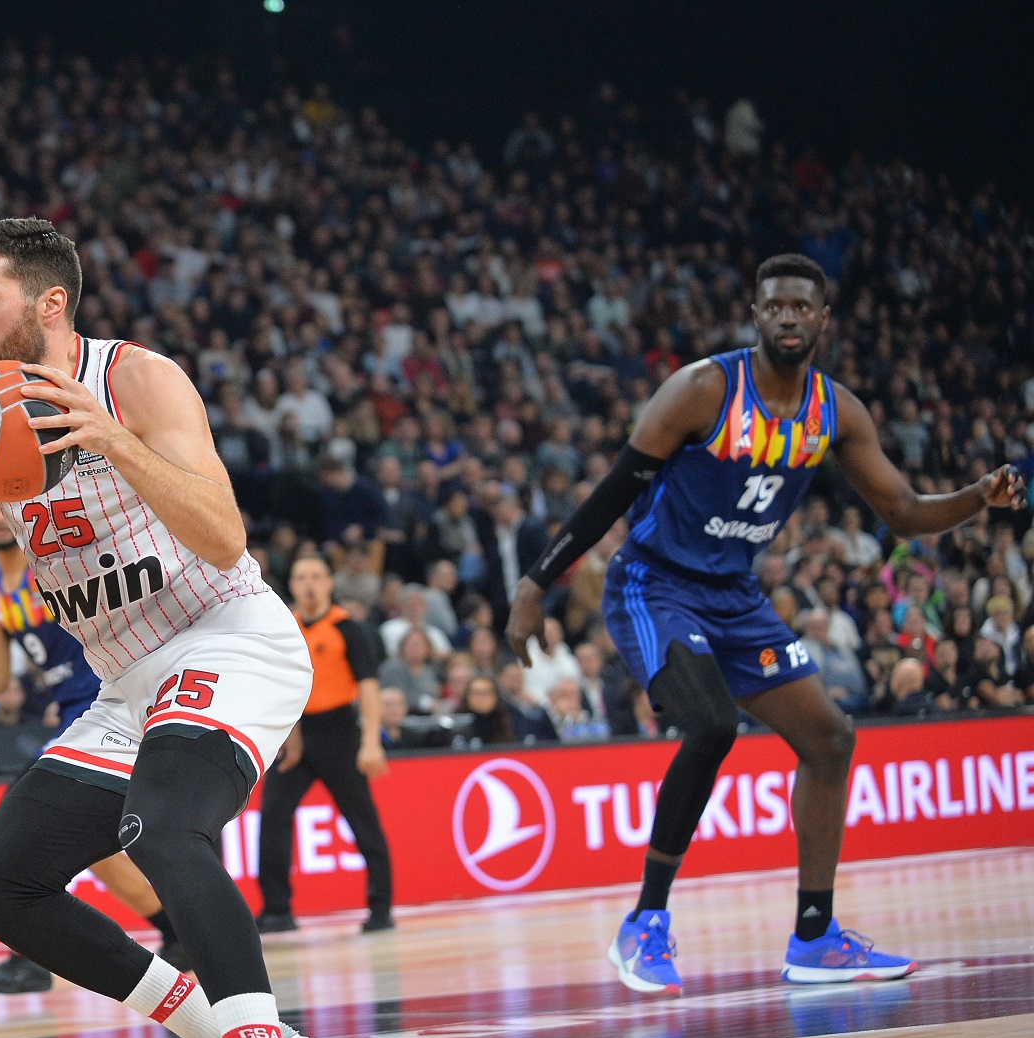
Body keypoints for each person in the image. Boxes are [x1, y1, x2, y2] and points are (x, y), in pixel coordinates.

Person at [506, 253, 1024, 996]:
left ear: (822, 320)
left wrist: (976, 497)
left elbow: (905, 513)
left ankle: (815, 937)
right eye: (774, 305)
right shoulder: (702, 390)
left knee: (831, 738)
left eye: (800, 307)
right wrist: (536, 581)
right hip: (656, 585)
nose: (787, 317)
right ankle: (644, 923)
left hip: (736, 595)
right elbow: (613, 491)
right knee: (712, 724)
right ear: (755, 314)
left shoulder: (836, 411)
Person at [0, 219, 314, 1038]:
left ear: (49, 303)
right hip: (128, 682)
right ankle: (204, 1023)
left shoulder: (135, 378)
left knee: (163, 828)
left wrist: (113, 441)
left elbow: (225, 536)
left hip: (226, 635)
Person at [0, 501, 188, 994]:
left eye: (0, 508)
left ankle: (30, 957)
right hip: (78, 718)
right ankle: (176, 933)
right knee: (93, 850)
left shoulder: (53, 563)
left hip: (113, 703)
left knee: (25, 827)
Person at [255, 556, 394, 934]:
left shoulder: (348, 628)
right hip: (298, 732)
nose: (309, 584)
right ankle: (277, 909)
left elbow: (369, 686)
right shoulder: (284, 627)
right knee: (273, 815)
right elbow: (281, 687)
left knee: (361, 819)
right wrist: (290, 735)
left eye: (316, 576)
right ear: (292, 585)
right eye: (301, 577)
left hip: (340, 733)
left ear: (330, 583)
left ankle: (381, 907)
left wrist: (371, 741)